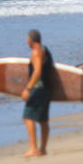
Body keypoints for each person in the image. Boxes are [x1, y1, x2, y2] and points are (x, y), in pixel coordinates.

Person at [20, 29, 54, 157]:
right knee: (42, 120)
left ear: (31, 40)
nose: (26, 41)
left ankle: (34, 149)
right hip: (46, 88)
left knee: (28, 117)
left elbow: (37, 71)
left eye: (27, 39)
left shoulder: (36, 52)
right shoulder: (46, 50)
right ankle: (43, 149)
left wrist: (28, 89)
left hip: (38, 89)